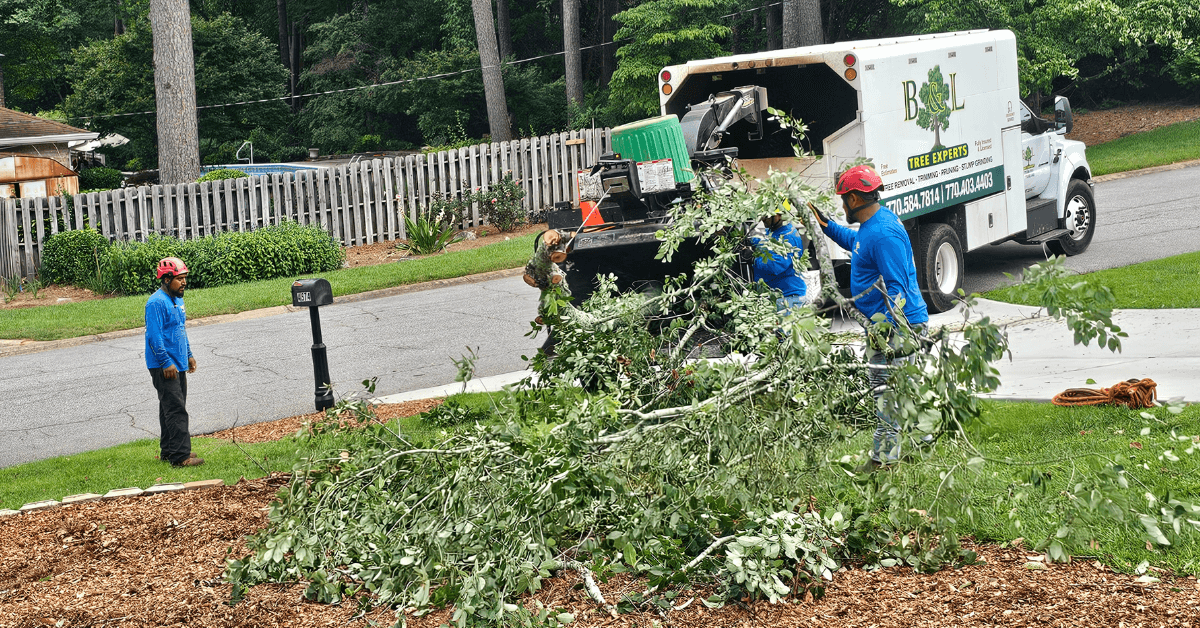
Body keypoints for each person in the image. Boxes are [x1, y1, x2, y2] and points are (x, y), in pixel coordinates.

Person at [811, 165, 929, 471]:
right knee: (896, 394)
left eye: (841, 201)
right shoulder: (872, 226)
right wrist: (828, 226)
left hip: (896, 329)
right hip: (886, 327)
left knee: (886, 396)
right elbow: (858, 247)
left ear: (852, 199)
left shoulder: (883, 232)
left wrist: (887, 333)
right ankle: (911, 449)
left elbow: (897, 290)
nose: (841, 206)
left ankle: (882, 461)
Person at [145, 257, 203, 467]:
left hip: (178, 362)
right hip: (164, 365)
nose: (184, 283)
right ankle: (181, 457)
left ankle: (170, 450)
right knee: (176, 409)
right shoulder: (156, 302)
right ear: (167, 279)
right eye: (179, 279)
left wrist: (188, 354)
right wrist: (165, 361)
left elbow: (180, 330)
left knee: (169, 407)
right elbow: (154, 336)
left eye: (185, 278)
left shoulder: (178, 300)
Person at [741, 211, 810, 330]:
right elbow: (765, 244)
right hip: (779, 297)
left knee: (787, 341)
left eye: (766, 217)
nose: (763, 220)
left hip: (788, 298)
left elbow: (776, 266)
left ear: (778, 214)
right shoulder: (773, 232)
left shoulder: (788, 236)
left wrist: (753, 259)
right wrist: (750, 241)